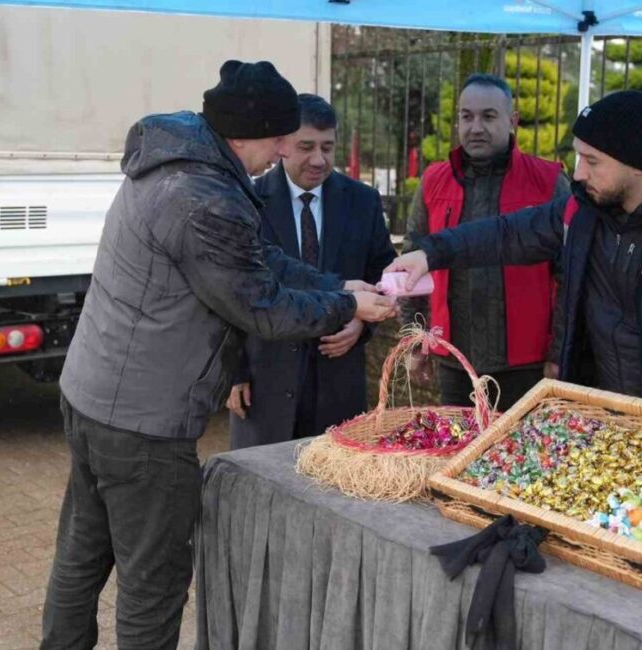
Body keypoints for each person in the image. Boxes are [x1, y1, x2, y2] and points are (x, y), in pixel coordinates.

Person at [40, 61, 397, 649]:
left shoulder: (187, 163)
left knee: (82, 556)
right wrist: (343, 310)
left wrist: (339, 288)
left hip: (94, 398)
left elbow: (258, 259)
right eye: (282, 138)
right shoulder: (202, 196)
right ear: (248, 133)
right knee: (153, 585)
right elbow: (259, 306)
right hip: (143, 426)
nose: (287, 151)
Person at [387, 90, 642, 422]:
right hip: (605, 415)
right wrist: (431, 252)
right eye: (580, 156)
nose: (579, 173)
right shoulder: (581, 211)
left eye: (592, 161)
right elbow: (507, 233)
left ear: (637, 164)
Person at [226, 94, 396, 448]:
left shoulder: (363, 202)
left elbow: (382, 276)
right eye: (306, 147)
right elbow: (226, 291)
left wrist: (361, 322)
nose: (319, 160)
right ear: (283, 144)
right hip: (265, 384)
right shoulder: (246, 201)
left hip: (337, 384)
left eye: (327, 147)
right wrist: (232, 371)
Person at [401, 73, 569, 411]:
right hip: (455, 360)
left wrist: (559, 353)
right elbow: (411, 263)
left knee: (519, 460)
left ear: (513, 121)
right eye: (467, 116)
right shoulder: (434, 180)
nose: (476, 127)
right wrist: (413, 340)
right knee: (458, 457)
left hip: (527, 365)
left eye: (488, 116)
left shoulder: (549, 181)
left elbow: (570, 275)